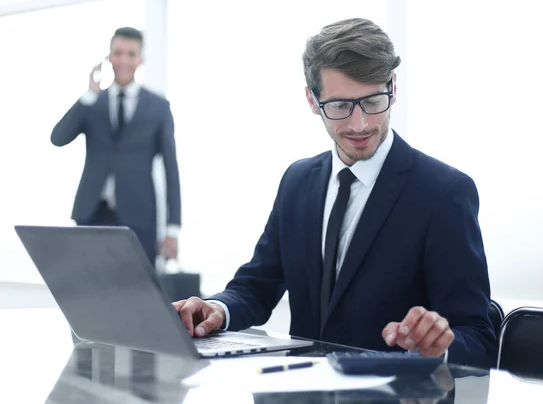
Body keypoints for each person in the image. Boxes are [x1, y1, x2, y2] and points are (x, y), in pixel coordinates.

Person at [174, 18, 496, 368]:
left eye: (373, 101)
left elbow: (477, 335)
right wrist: (217, 310)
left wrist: (439, 347)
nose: (359, 124)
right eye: (340, 106)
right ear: (312, 99)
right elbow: (257, 286)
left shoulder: (444, 193)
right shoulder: (298, 181)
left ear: (393, 88)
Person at [51, 27, 181, 264]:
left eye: (131, 54)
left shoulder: (159, 107)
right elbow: (58, 138)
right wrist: (89, 94)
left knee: (137, 294)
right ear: (109, 57)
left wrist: (173, 229)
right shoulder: (93, 102)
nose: (123, 60)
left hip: (138, 216)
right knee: (87, 291)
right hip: (91, 214)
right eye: (118, 53)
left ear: (140, 59)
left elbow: (171, 168)